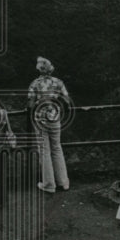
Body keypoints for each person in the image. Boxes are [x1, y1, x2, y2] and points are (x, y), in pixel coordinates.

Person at [27, 57, 70, 193]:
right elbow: (67, 101)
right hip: (55, 118)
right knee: (57, 148)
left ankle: (49, 185)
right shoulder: (58, 82)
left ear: (39, 69)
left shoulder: (34, 84)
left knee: (44, 151)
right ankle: (63, 182)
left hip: (40, 120)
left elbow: (30, 105)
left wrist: (38, 104)